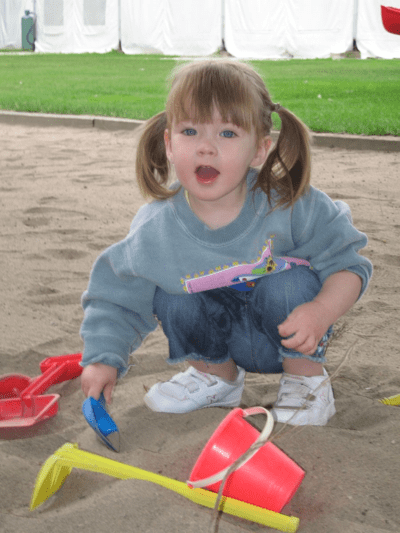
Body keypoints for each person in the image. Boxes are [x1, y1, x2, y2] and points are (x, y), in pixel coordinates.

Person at [80, 59, 372, 426]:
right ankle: (215, 378)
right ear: (169, 144)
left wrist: (322, 312)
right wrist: (103, 358)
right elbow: (117, 295)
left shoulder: (291, 204)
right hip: (218, 341)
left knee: (290, 283)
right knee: (169, 295)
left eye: (228, 134)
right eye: (190, 132)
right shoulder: (157, 227)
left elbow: (349, 265)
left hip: (289, 337)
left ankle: (306, 382)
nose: (206, 148)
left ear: (259, 150)